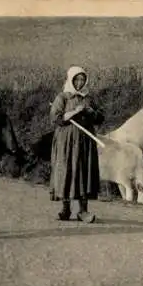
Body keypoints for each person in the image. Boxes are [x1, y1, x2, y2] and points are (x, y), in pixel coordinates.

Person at [49, 66, 104, 223]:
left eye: (82, 79)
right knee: (67, 170)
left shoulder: (88, 98)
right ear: (71, 80)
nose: (79, 83)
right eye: (76, 79)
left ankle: (83, 211)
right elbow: (56, 118)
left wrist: (90, 112)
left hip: (85, 142)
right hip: (66, 141)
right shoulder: (63, 97)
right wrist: (74, 112)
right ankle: (66, 209)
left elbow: (100, 118)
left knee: (83, 171)